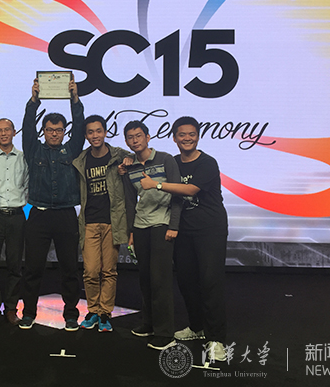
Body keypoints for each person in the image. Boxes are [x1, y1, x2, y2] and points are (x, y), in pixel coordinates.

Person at [138, 116, 228, 361]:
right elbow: (144, 158)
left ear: (198, 136)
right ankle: (197, 327)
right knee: (187, 282)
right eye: (182, 135)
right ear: (174, 138)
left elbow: (190, 189)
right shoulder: (173, 162)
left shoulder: (207, 162)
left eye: (191, 134)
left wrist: (157, 186)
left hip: (210, 229)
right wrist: (126, 162)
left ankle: (216, 339)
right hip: (182, 231)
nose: (187, 138)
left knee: (210, 282)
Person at [19, 77, 85, 331]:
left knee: (69, 268)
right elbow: (27, 126)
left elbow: (80, 126)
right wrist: (34, 101)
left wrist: (74, 100)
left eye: (58, 130)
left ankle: (71, 314)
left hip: (66, 215)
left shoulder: (72, 150)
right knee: (33, 268)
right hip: (39, 215)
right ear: (43, 132)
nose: (54, 134)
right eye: (49, 130)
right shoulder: (33, 150)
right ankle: (28, 313)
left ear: (64, 132)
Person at [120, 120, 181, 351]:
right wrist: (131, 230)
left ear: (148, 137)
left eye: (138, 136)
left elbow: (178, 193)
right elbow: (130, 201)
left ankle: (165, 333)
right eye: (130, 137)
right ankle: (149, 323)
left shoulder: (166, 159)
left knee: (160, 279)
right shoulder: (129, 166)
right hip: (141, 226)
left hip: (162, 224)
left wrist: (174, 225)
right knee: (145, 278)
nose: (135, 140)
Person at [72, 115, 129, 332]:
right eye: (90, 132)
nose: (95, 135)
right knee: (90, 271)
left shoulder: (118, 156)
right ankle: (93, 310)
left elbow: (135, 156)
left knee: (109, 271)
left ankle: (105, 312)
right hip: (89, 222)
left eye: (98, 131)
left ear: (105, 132)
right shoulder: (81, 160)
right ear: (86, 135)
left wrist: (129, 161)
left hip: (112, 221)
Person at [0, 118, 28, 328]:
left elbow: (27, 185)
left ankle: (11, 308)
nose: (3, 133)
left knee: (15, 265)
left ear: (14, 132)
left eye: (7, 130)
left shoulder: (24, 158)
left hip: (17, 216)